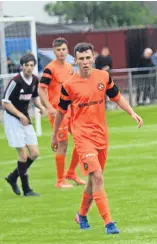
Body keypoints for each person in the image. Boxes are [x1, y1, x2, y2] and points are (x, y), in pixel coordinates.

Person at [51, 43, 144, 234]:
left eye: (87, 58)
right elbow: (61, 112)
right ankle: (109, 223)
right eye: (81, 59)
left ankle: (81, 214)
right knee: (98, 177)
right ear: (75, 60)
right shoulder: (68, 85)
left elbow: (116, 97)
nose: (85, 62)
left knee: (94, 180)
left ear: (93, 58)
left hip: (101, 135)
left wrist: (132, 113)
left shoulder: (103, 77)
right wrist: (54, 135)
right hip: (82, 136)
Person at [39, 37, 85, 188]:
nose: (61, 52)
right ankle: (60, 180)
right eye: (58, 50)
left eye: (64, 49)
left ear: (67, 50)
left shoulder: (70, 66)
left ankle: (71, 172)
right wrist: (48, 107)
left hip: (71, 110)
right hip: (58, 112)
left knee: (81, 139)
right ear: (54, 51)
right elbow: (41, 88)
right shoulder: (49, 68)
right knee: (62, 143)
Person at [3, 53, 47, 196]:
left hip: (25, 119)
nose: (29, 68)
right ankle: (27, 189)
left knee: (34, 153)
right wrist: (20, 115)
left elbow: (34, 96)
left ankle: (12, 177)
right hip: (12, 119)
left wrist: (40, 107)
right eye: (26, 65)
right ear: (22, 66)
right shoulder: (15, 81)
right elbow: (5, 103)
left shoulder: (34, 79)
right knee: (23, 155)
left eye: (31, 65)